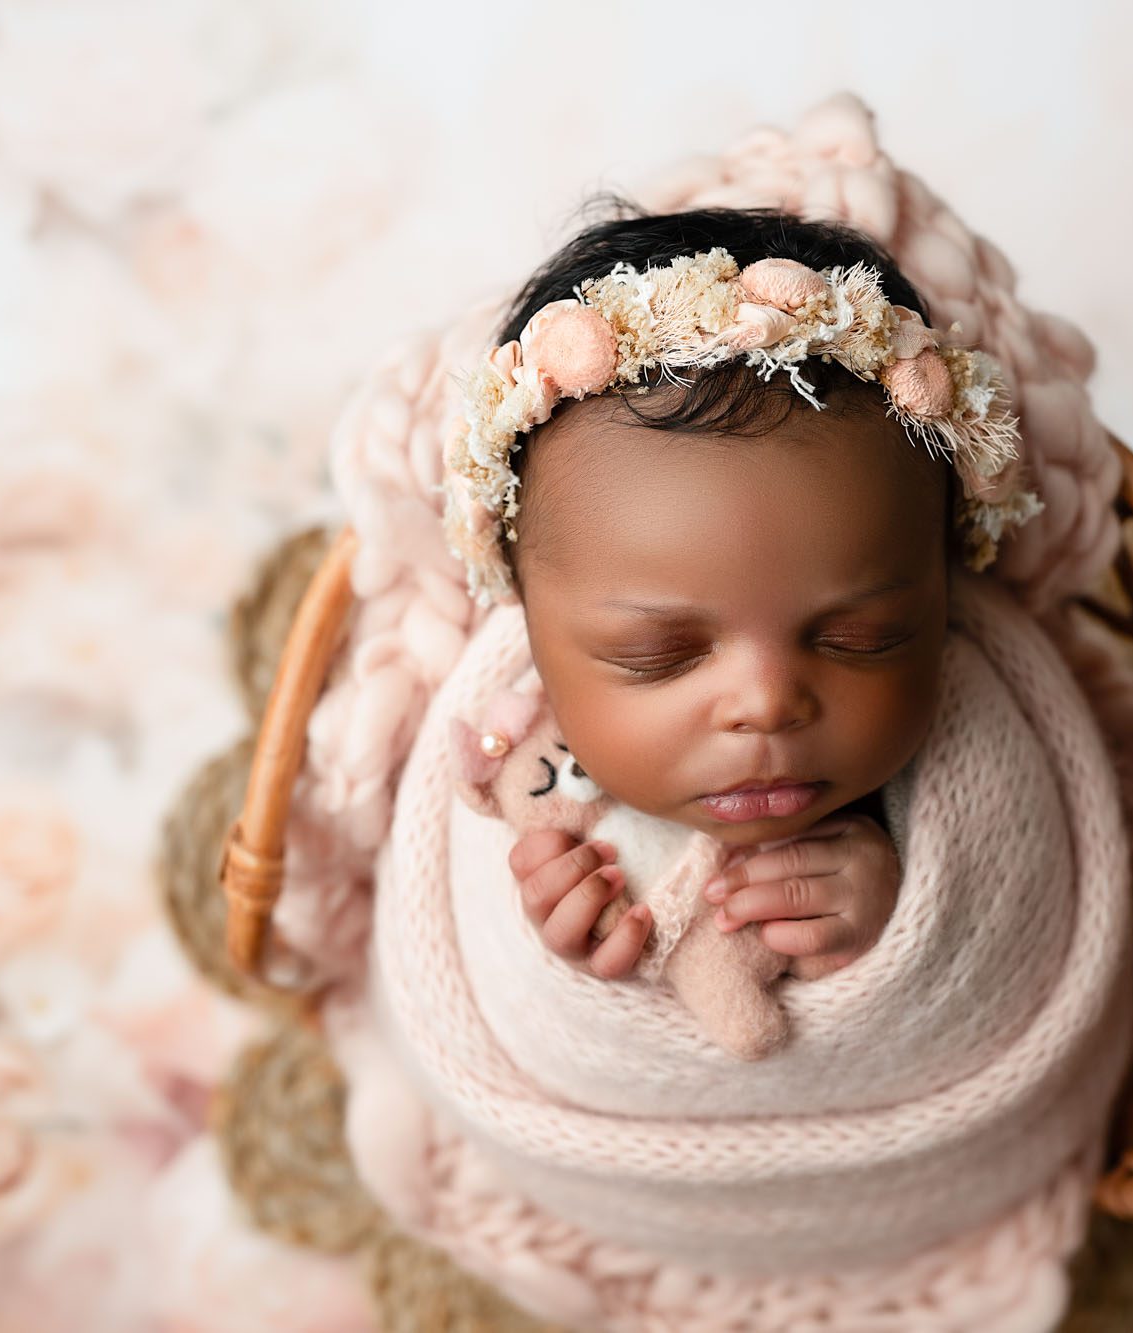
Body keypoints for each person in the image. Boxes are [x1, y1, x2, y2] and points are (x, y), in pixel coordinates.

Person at [438, 204, 1045, 984]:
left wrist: (905, 931)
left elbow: (1025, 935)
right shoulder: (519, 771)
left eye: (863, 637)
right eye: (656, 655)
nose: (765, 703)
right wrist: (551, 957)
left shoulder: (980, 759)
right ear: (528, 627)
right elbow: (467, 981)